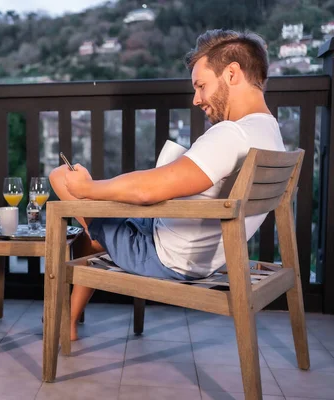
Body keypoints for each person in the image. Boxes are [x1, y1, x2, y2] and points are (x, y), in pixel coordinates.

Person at [49, 29, 286, 341]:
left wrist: (87, 189)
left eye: (201, 86)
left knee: (60, 177)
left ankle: (59, 322)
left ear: (232, 73)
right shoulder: (270, 132)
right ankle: (69, 321)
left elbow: (147, 191)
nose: (196, 99)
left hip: (165, 256)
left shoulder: (232, 134)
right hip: (204, 251)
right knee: (92, 235)